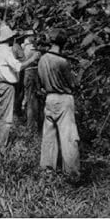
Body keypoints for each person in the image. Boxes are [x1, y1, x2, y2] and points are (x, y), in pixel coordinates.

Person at [37, 33, 80, 177]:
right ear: (64, 44)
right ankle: (71, 172)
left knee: (49, 135)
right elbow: (73, 84)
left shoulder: (42, 59)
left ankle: (47, 169)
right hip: (64, 99)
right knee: (68, 137)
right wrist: (81, 70)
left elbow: (41, 82)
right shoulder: (62, 62)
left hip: (49, 98)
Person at [20, 33, 42, 133]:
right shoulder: (34, 50)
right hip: (33, 73)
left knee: (31, 100)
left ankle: (31, 126)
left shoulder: (28, 49)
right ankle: (34, 126)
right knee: (33, 100)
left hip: (30, 73)